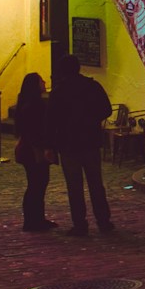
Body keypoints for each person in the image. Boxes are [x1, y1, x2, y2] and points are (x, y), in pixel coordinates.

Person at [48, 53, 114, 236]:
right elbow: (106, 109)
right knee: (96, 184)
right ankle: (103, 221)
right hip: (90, 141)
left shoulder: (59, 92)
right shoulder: (92, 86)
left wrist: (52, 144)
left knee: (74, 187)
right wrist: (91, 120)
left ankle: (80, 224)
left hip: (68, 144)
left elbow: (51, 120)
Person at [11, 73, 56, 233]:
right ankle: (32, 220)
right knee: (37, 184)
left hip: (29, 149)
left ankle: (36, 218)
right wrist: (43, 149)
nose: (44, 82)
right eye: (41, 81)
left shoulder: (27, 103)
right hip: (33, 151)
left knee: (36, 184)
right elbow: (35, 131)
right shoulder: (35, 105)